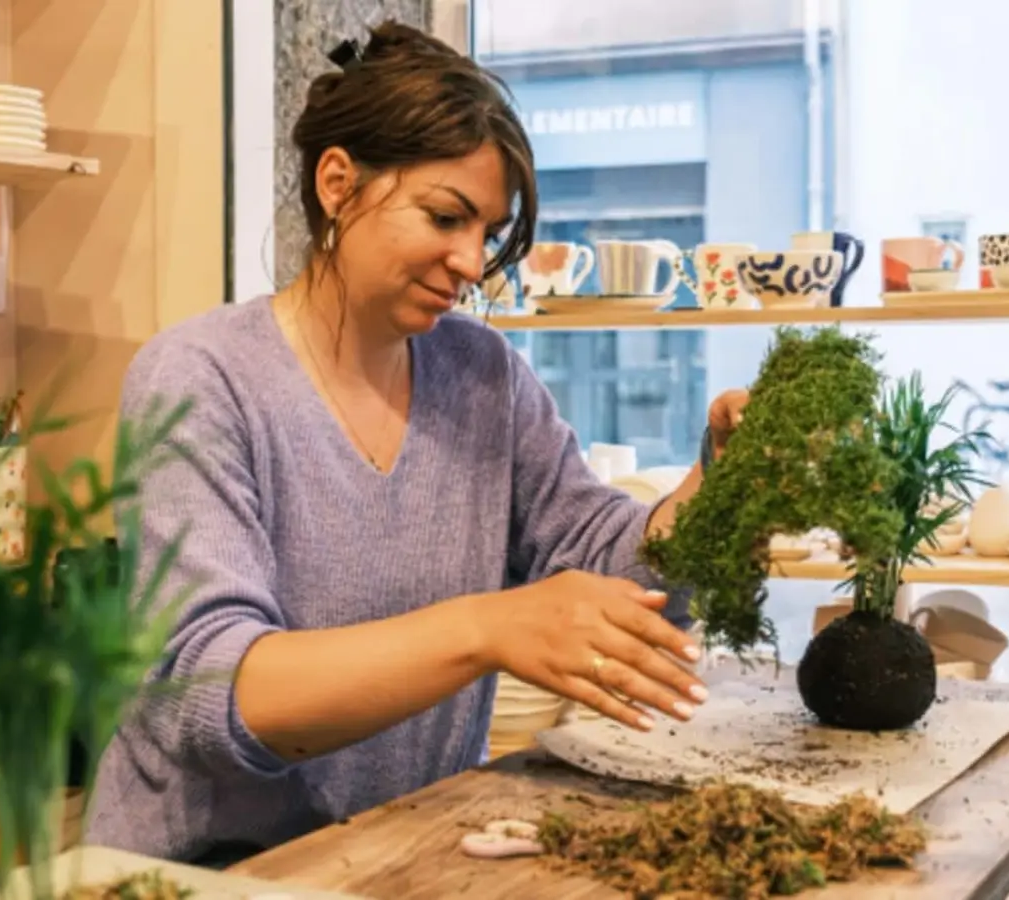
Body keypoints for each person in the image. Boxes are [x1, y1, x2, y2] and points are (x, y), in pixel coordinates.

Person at [85, 21, 748, 865]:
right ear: (337, 184)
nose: (473, 261)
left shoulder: (483, 376)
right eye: (445, 216)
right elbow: (221, 693)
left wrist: (718, 487)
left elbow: (606, 562)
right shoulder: (198, 377)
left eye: (488, 233)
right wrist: (488, 627)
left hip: (393, 854)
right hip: (199, 873)